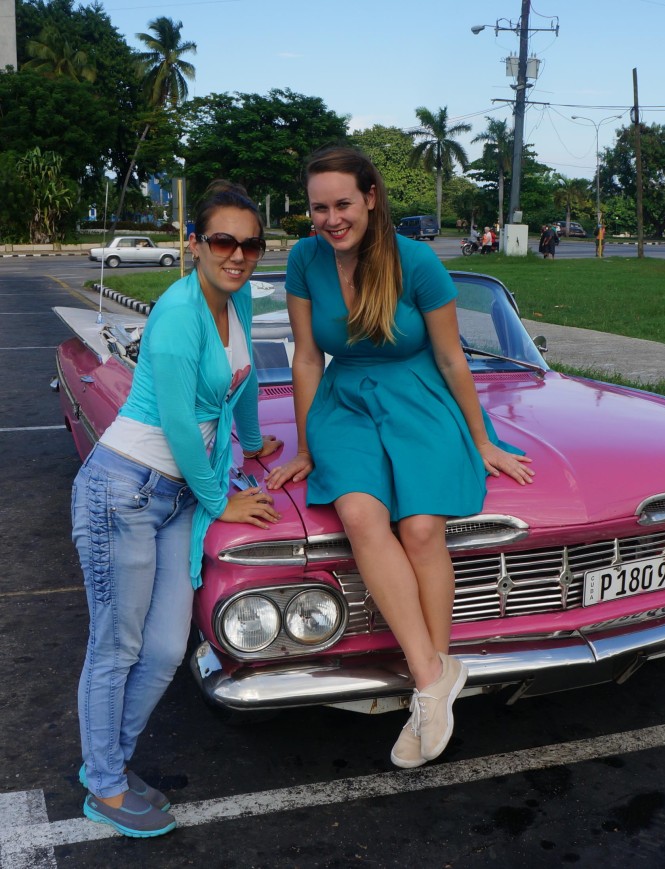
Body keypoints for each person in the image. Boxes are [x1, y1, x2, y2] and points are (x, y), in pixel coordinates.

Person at [266, 145, 533, 769]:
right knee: (361, 515)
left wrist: (482, 438)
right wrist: (306, 445)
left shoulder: (416, 262)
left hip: (421, 395)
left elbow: (450, 358)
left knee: (419, 527)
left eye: (343, 204)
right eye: (318, 208)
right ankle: (433, 679)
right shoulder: (305, 260)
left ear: (370, 198)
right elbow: (308, 357)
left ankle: (428, 691)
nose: (331, 219)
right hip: (346, 401)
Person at [72, 181, 283, 838]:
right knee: (116, 644)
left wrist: (252, 444)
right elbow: (182, 426)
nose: (239, 254)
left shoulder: (237, 298)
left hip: (173, 499)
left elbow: (238, 383)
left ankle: (112, 761)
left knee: (165, 648)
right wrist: (225, 498)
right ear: (194, 244)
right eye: (224, 240)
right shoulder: (176, 316)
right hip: (125, 491)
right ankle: (103, 781)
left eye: (251, 243)